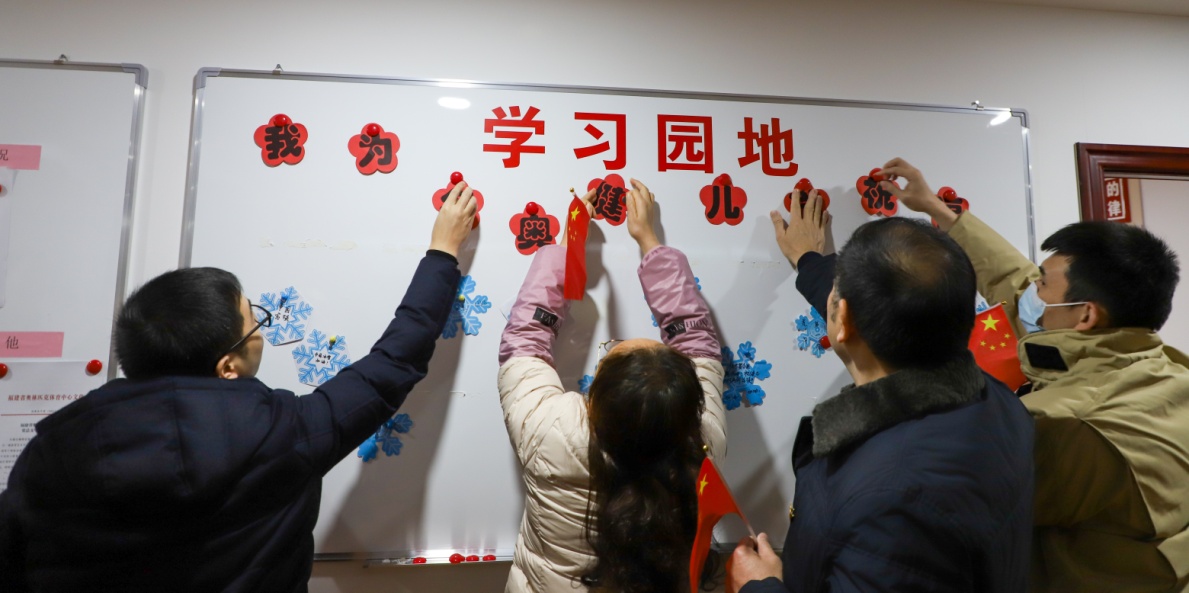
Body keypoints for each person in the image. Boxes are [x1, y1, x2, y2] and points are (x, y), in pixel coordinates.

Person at [0, 185, 478, 592]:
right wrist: (443, 251)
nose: (261, 332)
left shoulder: (52, 451)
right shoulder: (286, 433)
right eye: (254, 323)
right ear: (227, 366)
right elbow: (394, 361)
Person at [883, 158, 1189, 593]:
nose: (1032, 291)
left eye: (1043, 284)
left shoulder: (1059, 424)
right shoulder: (1165, 370)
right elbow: (1017, 283)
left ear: (1085, 315)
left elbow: (941, 512)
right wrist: (939, 211)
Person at [730, 202, 1035, 592]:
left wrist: (760, 587)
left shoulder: (890, 503)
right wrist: (810, 261)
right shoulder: (998, 400)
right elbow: (882, 312)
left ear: (845, 319)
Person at [497, 179, 727, 593]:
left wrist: (566, 249)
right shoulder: (702, 442)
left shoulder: (548, 429)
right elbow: (696, 341)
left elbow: (526, 338)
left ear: (595, 400)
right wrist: (650, 241)